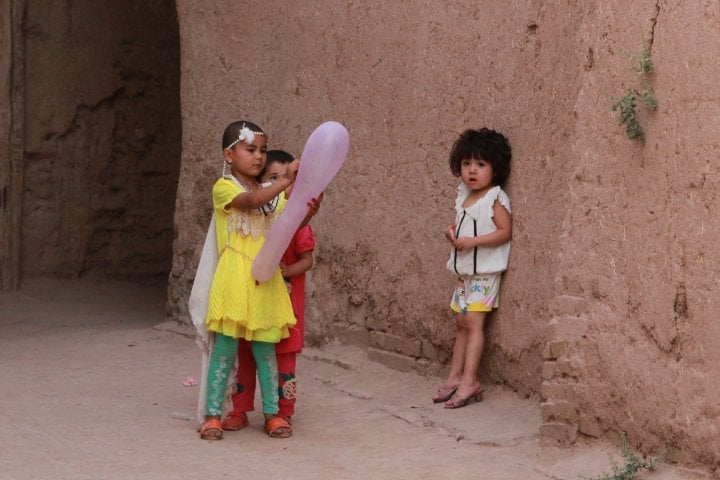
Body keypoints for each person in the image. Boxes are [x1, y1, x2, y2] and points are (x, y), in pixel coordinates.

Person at [191, 121, 322, 440]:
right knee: (225, 348)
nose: (259, 157)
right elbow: (248, 203)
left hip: (265, 281)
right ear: (228, 154)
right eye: (251, 149)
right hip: (235, 280)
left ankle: (273, 414)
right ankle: (212, 414)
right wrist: (285, 181)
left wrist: (310, 213)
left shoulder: (271, 198)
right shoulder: (224, 188)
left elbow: (288, 225)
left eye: (263, 150)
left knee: (266, 350)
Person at [222, 149, 317, 431]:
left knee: (284, 362)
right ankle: (239, 410)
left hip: (287, 308)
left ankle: (281, 412)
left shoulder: (299, 226)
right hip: (255, 304)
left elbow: (307, 260)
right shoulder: (256, 221)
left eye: (289, 179)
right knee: (248, 356)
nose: (284, 184)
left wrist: (287, 271)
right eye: (274, 178)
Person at [433, 127, 512, 409]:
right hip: (464, 275)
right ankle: (454, 377)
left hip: (484, 275)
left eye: (480, 164)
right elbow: (457, 225)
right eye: (467, 164)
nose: (472, 171)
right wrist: (450, 233)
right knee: (461, 323)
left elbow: (505, 232)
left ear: (495, 168)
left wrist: (474, 241)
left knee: (474, 324)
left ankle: (470, 381)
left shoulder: (495, 199)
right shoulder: (463, 196)